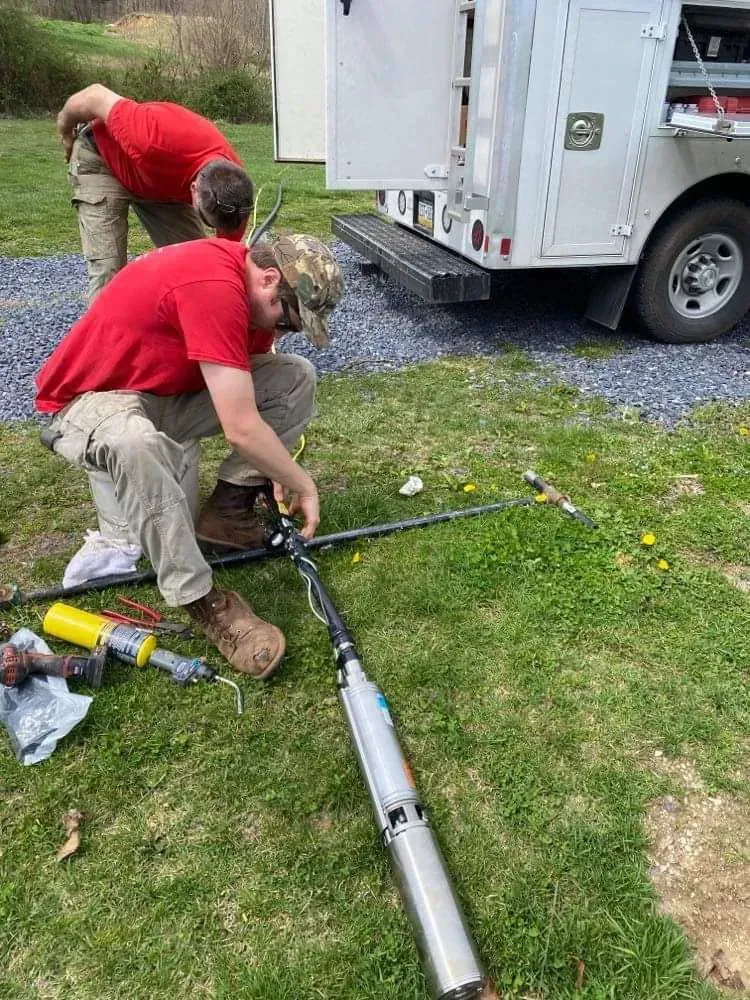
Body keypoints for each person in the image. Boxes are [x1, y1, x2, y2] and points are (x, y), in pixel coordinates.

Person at [35, 234, 344, 680]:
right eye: (286, 320)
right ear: (270, 278)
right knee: (134, 443)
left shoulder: (248, 291)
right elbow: (241, 428)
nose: (281, 332)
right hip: (90, 400)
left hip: (163, 393)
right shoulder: (213, 286)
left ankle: (227, 516)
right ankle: (200, 598)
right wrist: (302, 482)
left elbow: (250, 409)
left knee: (294, 378)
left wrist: (274, 467)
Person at [57, 83, 255, 301]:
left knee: (197, 266)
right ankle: (108, 332)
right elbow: (93, 96)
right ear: (194, 190)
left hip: (158, 183)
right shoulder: (150, 135)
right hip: (102, 160)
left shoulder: (234, 197)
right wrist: (65, 131)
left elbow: (230, 262)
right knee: (109, 273)